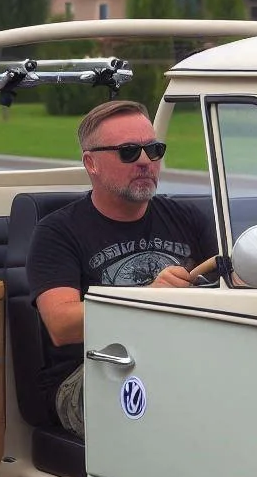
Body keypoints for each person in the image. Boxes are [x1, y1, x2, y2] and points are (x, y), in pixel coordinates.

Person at [26, 99, 217, 437]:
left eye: (153, 150)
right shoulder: (57, 232)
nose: (145, 162)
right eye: (128, 152)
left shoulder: (187, 218)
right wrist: (147, 297)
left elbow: (236, 283)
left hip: (186, 359)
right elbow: (61, 325)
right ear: (91, 163)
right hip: (92, 371)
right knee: (171, 393)